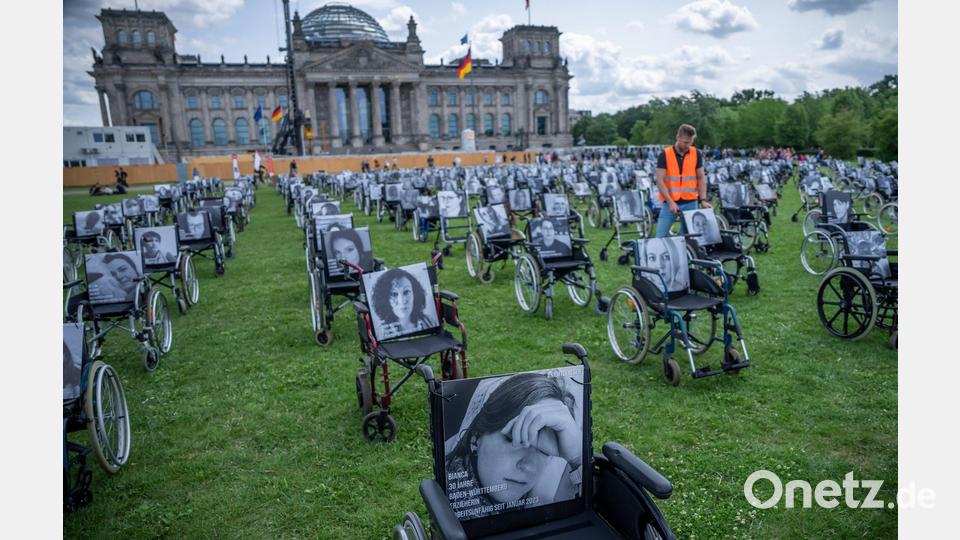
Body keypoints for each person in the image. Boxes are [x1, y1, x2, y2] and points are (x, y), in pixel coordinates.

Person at [443, 371, 583, 519]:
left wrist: (577, 459)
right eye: (513, 439)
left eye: (544, 451)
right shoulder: (444, 503)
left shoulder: (549, 497)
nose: (528, 466)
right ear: (475, 439)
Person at [655, 124, 709, 238]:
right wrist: (670, 202)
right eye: (685, 142)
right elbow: (660, 180)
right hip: (669, 203)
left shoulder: (696, 153)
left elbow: (701, 177)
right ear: (678, 137)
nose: (688, 145)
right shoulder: (665, 154)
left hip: (690, 202)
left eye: (690, 142)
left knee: (688, 238)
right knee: (660, 236)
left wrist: (703, 199)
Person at [372, 267, 435, 338]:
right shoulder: (381, 332)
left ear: (415, 294)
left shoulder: (429, 322)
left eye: (406, 292)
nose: (402, 301)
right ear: (385, 299)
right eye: (394, 294)